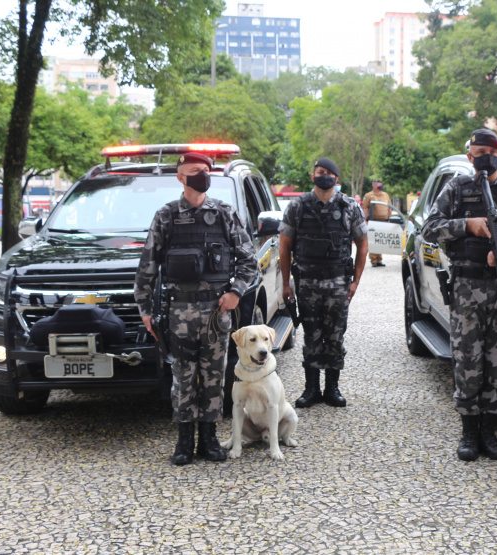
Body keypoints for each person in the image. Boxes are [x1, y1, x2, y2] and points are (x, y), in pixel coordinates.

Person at [422, 129, 497, 461]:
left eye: (492, 152)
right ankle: (468, 432)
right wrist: (467, 225)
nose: (486, 158)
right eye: (479, 153)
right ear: (470, 156)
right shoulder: (457, 188)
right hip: (466, 287)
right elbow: (430, 228)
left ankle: (490, 432)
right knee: (467, 360)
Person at [135, 152, 260, 466]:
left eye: (205, 170)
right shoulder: (166, 216)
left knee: (214, 376)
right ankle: (183, 441)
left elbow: (249, 261)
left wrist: (235, 292)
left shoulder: (224, 213)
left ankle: (209, 439)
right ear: (180, 177)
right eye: (194, 170)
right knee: (183, 377)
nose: (202, 175)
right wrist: (145, 308)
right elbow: (148, 265)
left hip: (216, 312)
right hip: (179, 311)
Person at [279, 157, 368, 408]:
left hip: (338, 283)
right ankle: (311, 389)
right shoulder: (297, 206)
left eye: (329, 173)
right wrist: (286, 284)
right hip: (307, 283)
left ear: (336, 179)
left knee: (336, 336)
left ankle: (332, 388)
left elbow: (363, 245)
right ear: (313, 176)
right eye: (320, 172)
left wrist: (355, 281)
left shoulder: (349, 207)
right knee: (311, 335)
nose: (324, 176)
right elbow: (284, 247)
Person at [362, 179, 392, 267]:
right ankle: (374, 260)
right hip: (373, 221)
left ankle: (379, 259)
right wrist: (364, 219)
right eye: (379, 185)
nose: (381, 186)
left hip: (384, 221)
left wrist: (390, 217)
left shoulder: (385, 195)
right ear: (374, 186)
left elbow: (390, 207)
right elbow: (364, 207)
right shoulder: (368, 195)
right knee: (373, 240)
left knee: (380, 241)